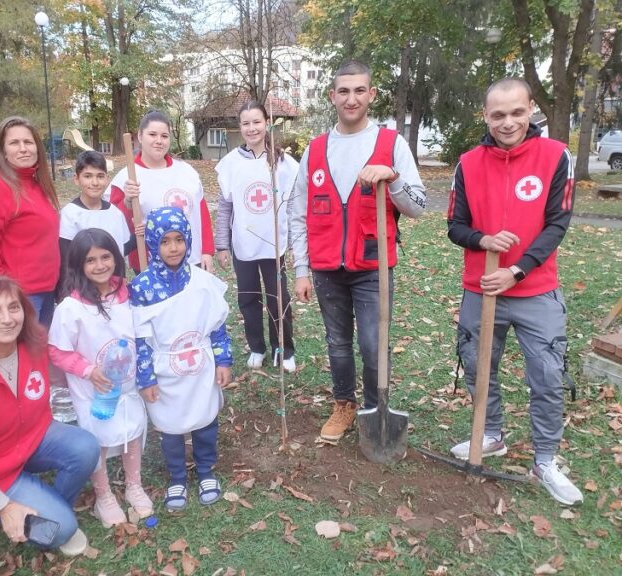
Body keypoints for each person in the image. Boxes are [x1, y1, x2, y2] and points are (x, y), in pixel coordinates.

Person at [447, 77, 582, 506]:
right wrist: (481, 240)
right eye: (498, 114)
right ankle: (491, 434)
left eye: (517, 112)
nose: (508, 122)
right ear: (486, 116)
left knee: (546, 375)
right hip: (482, 288)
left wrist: (519, 270)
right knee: (477, 365)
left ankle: (545, 459)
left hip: (536, 291)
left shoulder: (555, 155)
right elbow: (455, 226)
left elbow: (558, 223)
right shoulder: (468, 162)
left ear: (530, 112)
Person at [288, 60, 426, 442]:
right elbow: (297, 213)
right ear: (332, 96)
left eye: (359, 90)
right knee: (337, 342)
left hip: (372, 265)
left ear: (372, 95)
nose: (351, 98)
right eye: (344, 91)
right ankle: (344, 404)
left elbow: (417, 206)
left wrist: (392, 178)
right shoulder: (315, 150)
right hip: (327, 266)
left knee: (372, 341)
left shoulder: (391, 144)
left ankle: (372, 407)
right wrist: (302, 269)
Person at [0, 276, 99, 555]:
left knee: (86, 447)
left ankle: (49, 510)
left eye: (14, 307)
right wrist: (2, 506)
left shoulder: (33, 346)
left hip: (32, 439)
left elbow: (63, 369)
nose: (7, 318)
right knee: (62, 529)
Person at [129, 207, 233, 512]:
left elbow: (216, 326)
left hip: (200, 367)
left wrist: (223, 360)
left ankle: (205, 471)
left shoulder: (202, 281)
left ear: (188, 239)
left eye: (178, 239)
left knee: (205, 420)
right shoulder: (143, 287)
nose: (173, 248)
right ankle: (177, 476)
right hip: (165, 371)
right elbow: (141, 337)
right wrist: (145, 377)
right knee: (170, 425)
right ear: (152, 244)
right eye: (164, 242)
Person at [48, 228, 153, 528]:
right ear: (79, 265)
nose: (100, 265)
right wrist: (88, 371)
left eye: (105, 257)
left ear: (116, 258)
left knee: (132, 430)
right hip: (94, 389)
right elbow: (57, 350)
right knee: (99, 439)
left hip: (128, 386)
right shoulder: (71, 307)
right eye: (90, 260)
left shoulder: (129, 295)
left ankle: (134, 484)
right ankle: (103, 494)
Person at [215, 101, 298, 372]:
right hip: (243, 244)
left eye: (257, 122)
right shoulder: (230, 164)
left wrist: (297, 242)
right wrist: (221, 244)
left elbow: (295, 203)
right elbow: (225, 206)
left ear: (266, 124)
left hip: (274, 244)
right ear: (240, 127)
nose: (252, 128)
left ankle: (283, 349)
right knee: (248, 298)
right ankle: (257, 347)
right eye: (246, 123)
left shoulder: (283, 162)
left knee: (278, 297)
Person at [0, 116, 61, 326]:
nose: (23, 149)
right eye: (14, 143)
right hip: (18, 297)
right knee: (21, 356)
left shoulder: (38, 185)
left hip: (46, 290)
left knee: (38, 355)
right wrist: (2, 298)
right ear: (3, 152)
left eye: (28, 142)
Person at [104, 110, 215, 273]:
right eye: (152, 134)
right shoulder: (126, 178)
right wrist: (127, 202)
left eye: (164, 136)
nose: (159, 141)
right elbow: (116, 223)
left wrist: (207, 251)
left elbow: (202, 213)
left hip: (190, 259)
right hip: (150, 263)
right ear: (140, 137)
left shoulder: (186, 172)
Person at [57, 151, 132, 297]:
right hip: (83, 291)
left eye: (100, 176)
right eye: (88, 176)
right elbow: (67, 262)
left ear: (107, 178)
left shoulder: (115, 213)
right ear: (76, 179)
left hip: (113, 290)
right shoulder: (70, 215)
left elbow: (121, 252)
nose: (95, 182)